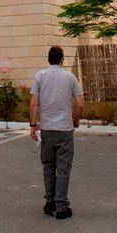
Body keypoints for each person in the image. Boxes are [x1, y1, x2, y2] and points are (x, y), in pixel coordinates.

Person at [29, 45, 83, 220]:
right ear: (62, 60)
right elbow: (80, 103)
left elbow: (33, 103)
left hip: (47, 130)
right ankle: (61, 206)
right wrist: (76, 119)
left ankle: (50, 201)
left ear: (48, 59)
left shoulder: (39, 76)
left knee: (48, 166)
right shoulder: (70, 77)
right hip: (65, 129)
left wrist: (32, 124)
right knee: (63, 169)